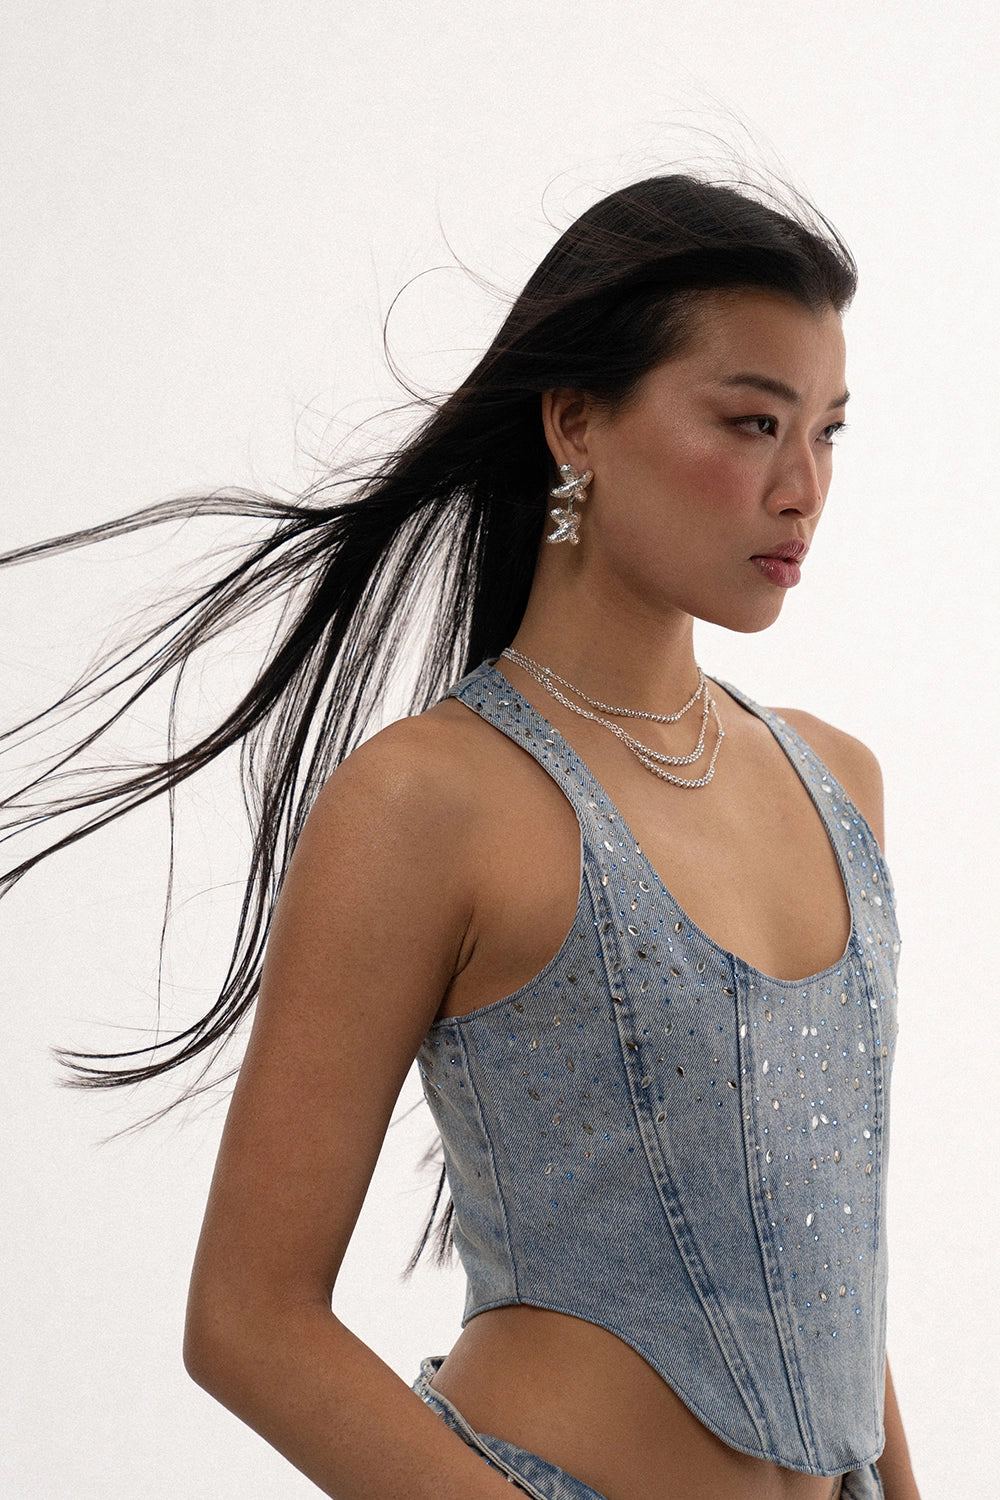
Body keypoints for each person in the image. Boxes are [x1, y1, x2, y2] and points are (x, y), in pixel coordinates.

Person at [2, 174, 921, 1500]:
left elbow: (834, 1261)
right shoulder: (430, 802)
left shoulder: (840, 784)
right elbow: (248, 1320)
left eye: (829, 432)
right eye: (752, 423)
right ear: (576, 423)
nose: (804, 488)